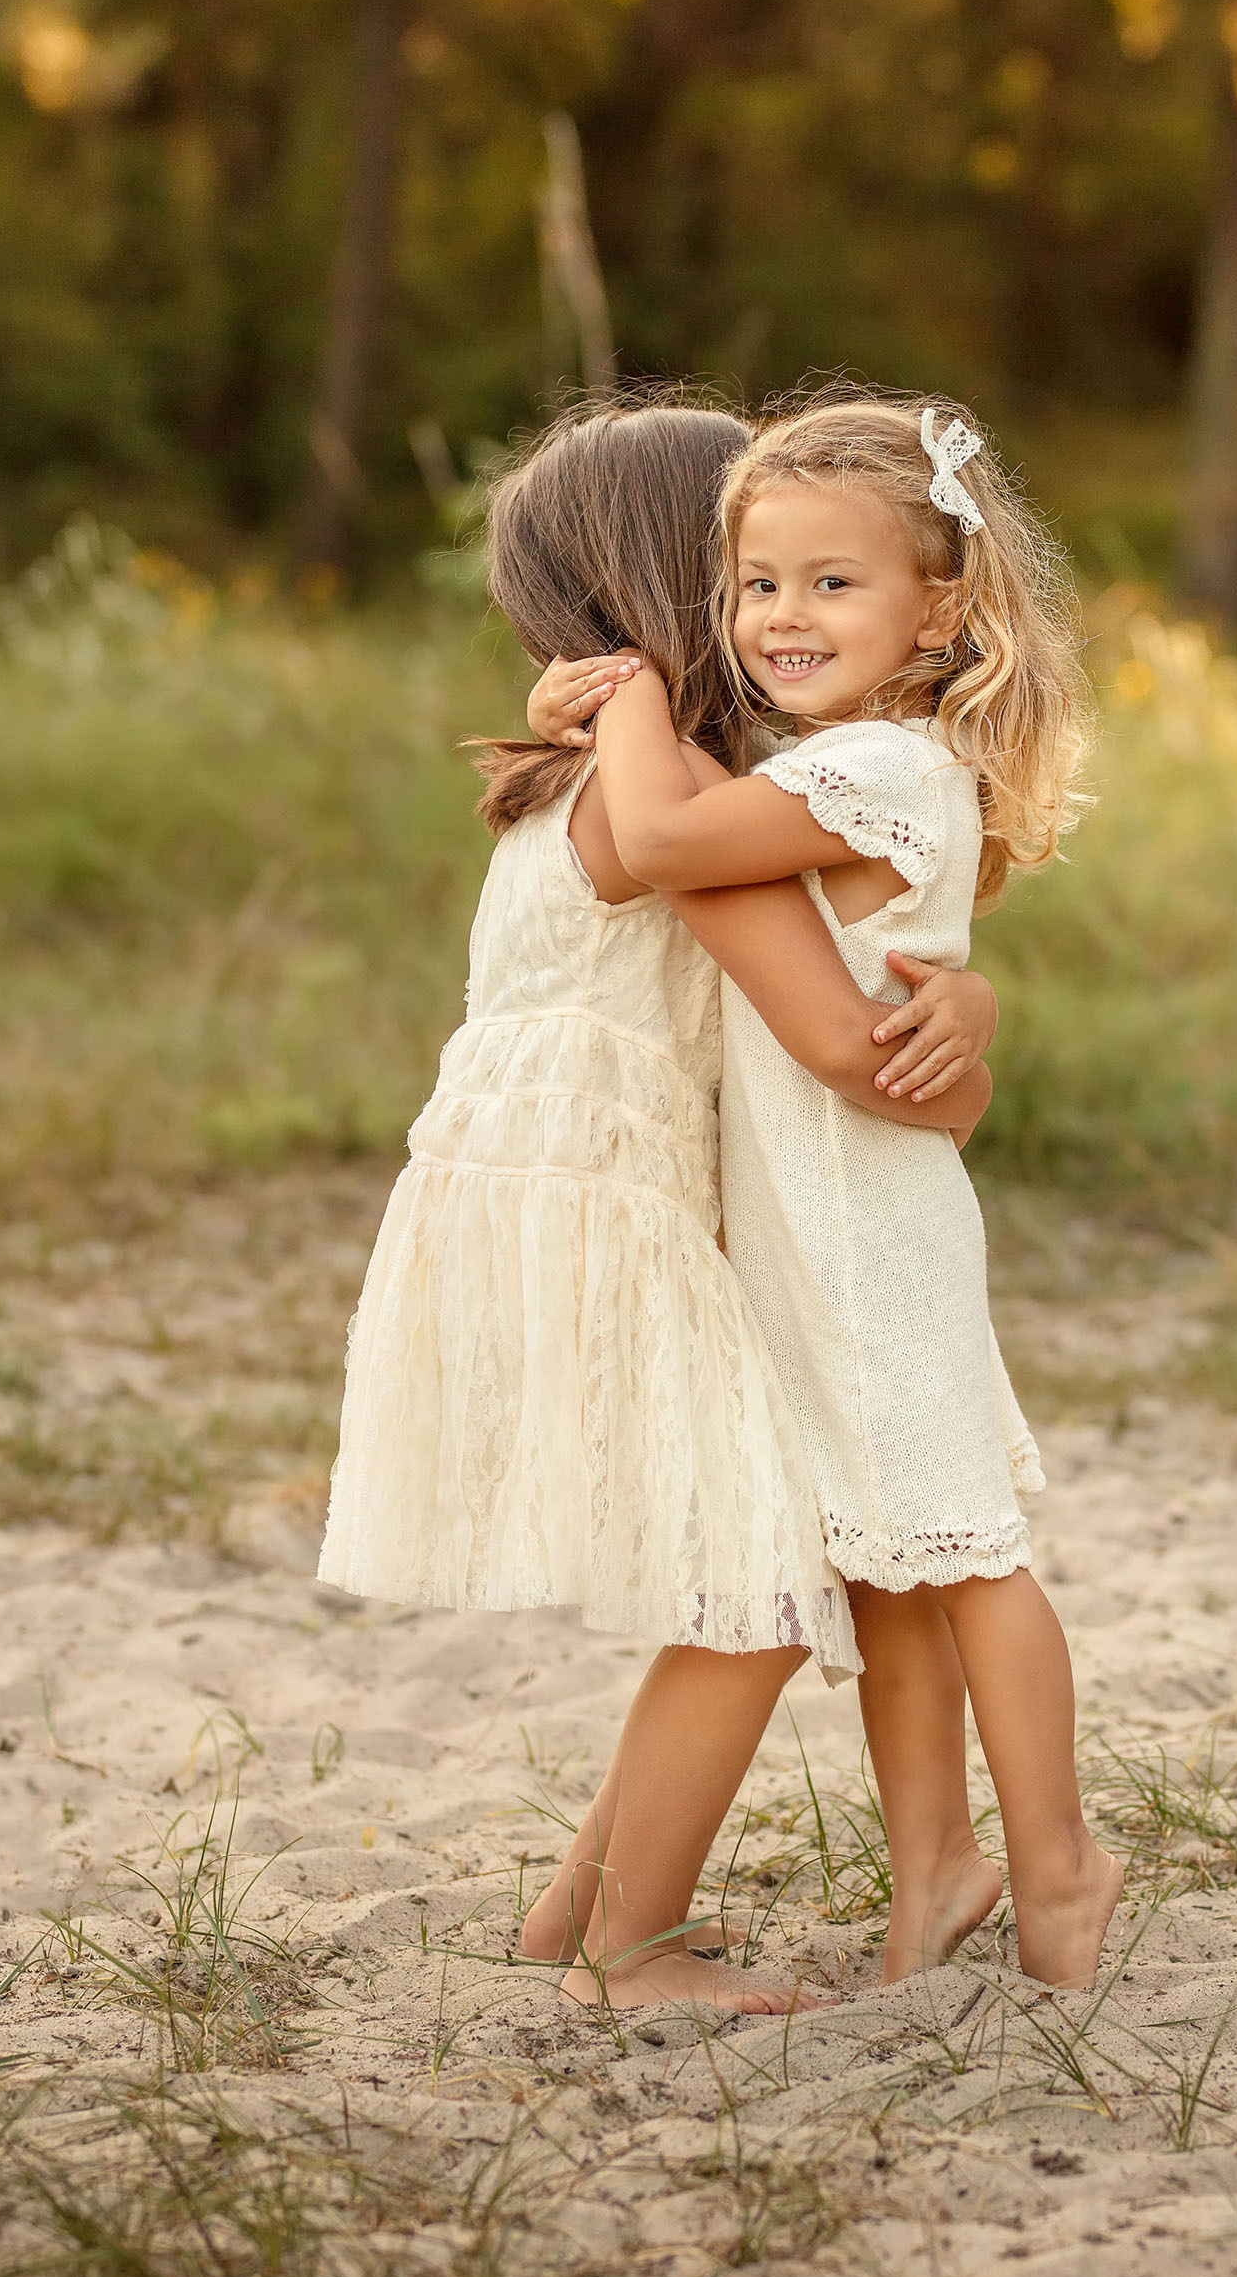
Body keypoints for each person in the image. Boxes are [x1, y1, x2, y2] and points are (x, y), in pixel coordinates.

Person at [317, 400, 1000, 2013]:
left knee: (739, 1560)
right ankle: (633, 1946)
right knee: (756, 1586)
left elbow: (875, 1001)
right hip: (607, 1200)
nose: (780, 606)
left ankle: (581, 1908)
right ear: (690, 578)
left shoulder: (594, 771)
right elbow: (846, 1043)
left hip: (528, 1183)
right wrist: (949, 1031)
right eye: (754, 569)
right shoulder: (673, 810)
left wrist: (967, 1009)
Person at [582, 394, 1124, 1990]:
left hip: (870, 1228)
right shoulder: (844, 763)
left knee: (965, 1555)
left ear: (937, 610)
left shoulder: (885, 763)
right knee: (894, 1566)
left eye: (833, 584)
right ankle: (936, 1874)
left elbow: (653, 840)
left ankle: (1062, 1865)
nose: (781, 619)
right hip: (823, 1232)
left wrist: (624, 687)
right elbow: (649, 849)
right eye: (757, 586)